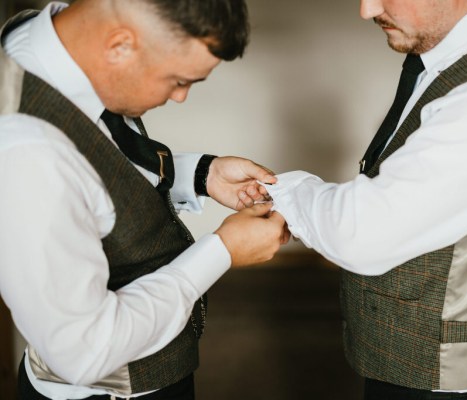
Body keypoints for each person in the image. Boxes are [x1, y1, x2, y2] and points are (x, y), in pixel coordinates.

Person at [265, 0, 467, 399]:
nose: (367, 10)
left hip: (458, 382)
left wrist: (279, 189)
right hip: (420, 369)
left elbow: (363, 234)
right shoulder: (460, 58)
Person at [0, 0, 288, 399]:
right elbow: (84, 352)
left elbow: (93, 162)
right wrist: (221, 251)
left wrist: (202, 175)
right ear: (119, 46)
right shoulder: (25, 152)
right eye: (178, 80)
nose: (181, 96)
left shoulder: (54, 39)